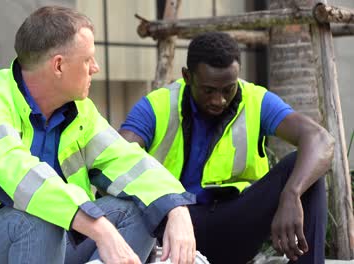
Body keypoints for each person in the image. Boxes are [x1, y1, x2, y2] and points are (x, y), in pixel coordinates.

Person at [0, 6, 197, 264]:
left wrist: (175, 208)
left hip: (47, 247)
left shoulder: (79, 111)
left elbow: (128, 162)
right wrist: (101, 230)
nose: (95, 68)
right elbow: (23, 179)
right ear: (59, 65)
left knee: (137, 208)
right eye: (88, 60)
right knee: (39, 218)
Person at [119, 32, 334, 264]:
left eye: (227, 89)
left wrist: (291, 195)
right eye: (209, 90)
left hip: (234, 224)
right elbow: (117, 159)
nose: (219, 100)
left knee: (304, 173)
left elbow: (321, 139)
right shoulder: (156, 106)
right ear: (187, 76)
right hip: (173, 229)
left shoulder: (255, 100)